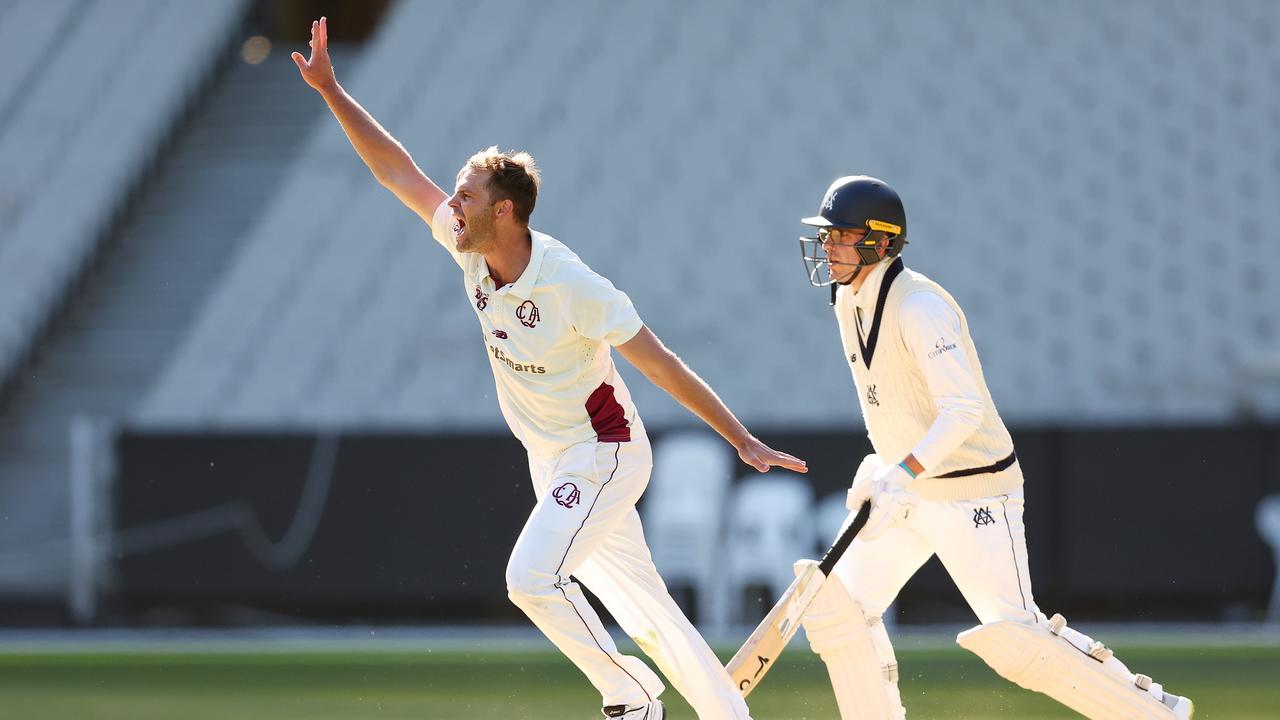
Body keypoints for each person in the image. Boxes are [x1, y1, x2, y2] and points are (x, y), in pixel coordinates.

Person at [292, 18, 806, 720]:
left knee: (530, 579)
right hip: (553, 458)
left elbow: (659, 362)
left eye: (466, 195)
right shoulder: (468, 244)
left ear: (504, 211)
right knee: (644, 608)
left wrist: (739, 437)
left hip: (604, 454)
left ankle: (630, 696)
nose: (452, 203)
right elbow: (394, 170)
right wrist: (331, 90)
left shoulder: (572, 284)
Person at [789, 175, 1194, 719]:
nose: (828, 247)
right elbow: (884, 396)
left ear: (881, 242)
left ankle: (1153, 712)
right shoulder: (846, 299)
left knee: (1018, 642)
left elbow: (964, 410)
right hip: (909, 487)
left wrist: (900, 470)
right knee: (838, 609)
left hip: (972, 492)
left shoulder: (921, 308)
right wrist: (881, 463)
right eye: (828, 234)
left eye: (841, 235)